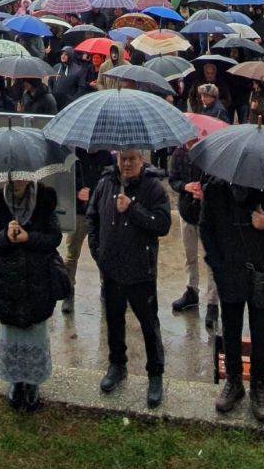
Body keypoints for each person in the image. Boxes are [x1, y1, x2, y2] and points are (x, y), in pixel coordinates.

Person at [182, 175, 264, 423]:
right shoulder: (215, 190)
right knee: (230, 331)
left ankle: (258, 387)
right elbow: (206, 229)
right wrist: (217, 265)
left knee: (260, 333)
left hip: (261, 272)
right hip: (229, 272)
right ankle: (234, 381)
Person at [88, 147, 172, 408]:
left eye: (131, 159)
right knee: (113, 319)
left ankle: (155, 374)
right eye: (122, 159)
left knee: (148, 323)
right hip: (111, 269)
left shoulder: (153, 188)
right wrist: (98, 252)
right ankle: (117, 365)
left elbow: (163, 225)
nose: (126, 164)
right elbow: (93, 218)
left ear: (141, 160)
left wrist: (132, 208)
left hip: (140, 271)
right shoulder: (105, 183)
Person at [0, 179, 63, 412]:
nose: (18, 181)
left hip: (37, 281)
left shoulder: (45, 198)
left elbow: (54, 238)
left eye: (22, 176)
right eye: (13, 175)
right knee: (12, 335)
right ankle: (15, 382)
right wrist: (6, 238)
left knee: (34, 333)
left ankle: (32, 383)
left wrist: (29, 238)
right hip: (9, 283)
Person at [166, 132, 213, 319]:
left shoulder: (209, 152)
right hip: (187, 211)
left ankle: (213, 301)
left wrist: (205, 192)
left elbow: (218, 182)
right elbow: (173, 180)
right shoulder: (178, 154)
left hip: (207, 214)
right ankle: (191, 290)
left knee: (211, 258)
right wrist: (185, 187)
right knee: (189, 255)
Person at [61, 146, 110, 314]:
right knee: (72, 254)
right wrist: (76, 193)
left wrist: (95, 193)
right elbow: (63, 183)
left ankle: (106, 288)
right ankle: (69, 291)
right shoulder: (73, 157)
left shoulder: (107, 156)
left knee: (103, 252)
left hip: (100, 213)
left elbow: (112, 183)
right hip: (79, 214)